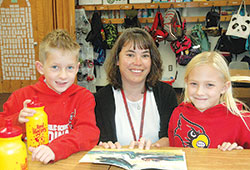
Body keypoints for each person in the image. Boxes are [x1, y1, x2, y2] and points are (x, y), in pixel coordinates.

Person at [0, 29, 100, 163]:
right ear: (41, 68)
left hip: (69, 164)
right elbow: (2, 127)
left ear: (77, 68)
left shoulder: (83, 97)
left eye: (69, 68)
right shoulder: (21, 96)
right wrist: (18, 120)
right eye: (55, 67)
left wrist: (55, 149)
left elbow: (88, 133)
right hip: (30, 164)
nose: (63, 75)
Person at [95, 27, 178, 149]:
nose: (138, 62)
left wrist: (147, 152)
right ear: (117, 60)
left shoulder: (166, 93)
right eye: (130, 54)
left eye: (145, 55)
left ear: (151, 61)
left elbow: (170, 137)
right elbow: (102, 143)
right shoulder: (101, 99)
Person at [168, 51, 250, 151]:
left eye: (209, 85)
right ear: (186, 83)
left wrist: (239, 155)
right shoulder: (178, 113)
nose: (199, 92)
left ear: (224, 87)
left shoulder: (242, 120)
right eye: (194, 84)